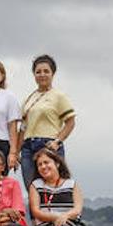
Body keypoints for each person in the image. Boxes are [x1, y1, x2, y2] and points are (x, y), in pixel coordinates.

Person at [18, 54, 76, 188]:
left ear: (53, 73)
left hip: (48, 145)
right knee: (32, 189)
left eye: (46, 71)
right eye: (38, 72)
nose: (42, 74)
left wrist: (58, 141)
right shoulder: (29, 98)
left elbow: (70, 122)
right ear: (34, 74)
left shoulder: (58, 96)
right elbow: (23, 127)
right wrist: (15, 152)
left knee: (52, 188)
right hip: (27, 147)